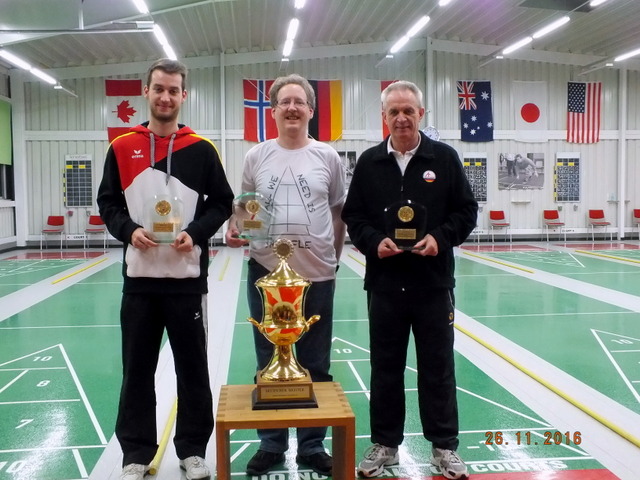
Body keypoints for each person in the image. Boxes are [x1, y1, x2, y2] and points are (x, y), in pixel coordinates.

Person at [97, 58, 234, 480]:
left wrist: (195, 232)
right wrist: (128, 230)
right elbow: (108, 203)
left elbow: (223, 203)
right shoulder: (121, 147)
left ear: (183, 96)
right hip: (139, 281)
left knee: (192, 370)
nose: (166, 97)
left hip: (186, 281)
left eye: (174, 90)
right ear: (147, 91)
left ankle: (193, 451)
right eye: (159, 88)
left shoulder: (202, 149)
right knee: (136, 370)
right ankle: (136, 455)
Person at [341, 80, 477, 480]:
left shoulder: (445, 159)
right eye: (393, 111)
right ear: (384, 117)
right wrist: (372, 241)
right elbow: (354, 216)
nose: (401, 118)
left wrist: (440, 238)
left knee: (438, 367)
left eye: (409, 111)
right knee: (385, 367)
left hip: (433, 285)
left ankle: (444, 448)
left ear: (421, 114)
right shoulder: (369, 162)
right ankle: (385, 444)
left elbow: (466, 212)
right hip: (384, 286)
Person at [225, 74, 346, 477]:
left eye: (300, 101)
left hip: (318, 274)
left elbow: (337, 214)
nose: (292, 107)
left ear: (311, 110)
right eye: (284, 102)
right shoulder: (256, 156)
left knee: (316, 361)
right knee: (268, 357)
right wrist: (235, 226)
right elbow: (245, 208)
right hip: (265, 272)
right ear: (273, 110)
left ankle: (312, 445)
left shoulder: (328, 157)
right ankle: (272, 444)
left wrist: (334, 259)